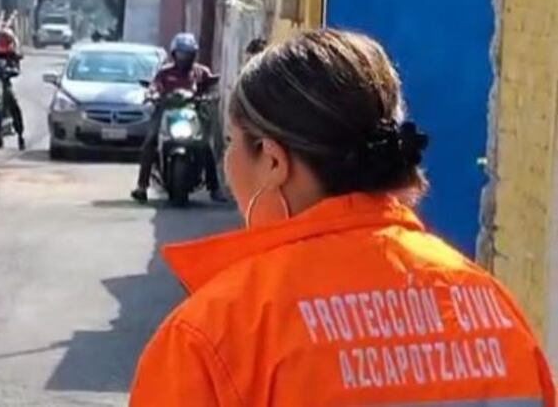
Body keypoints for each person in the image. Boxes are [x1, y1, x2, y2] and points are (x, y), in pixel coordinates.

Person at [130, 29, 556, 406]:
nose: (226, 161)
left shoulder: (215, 335)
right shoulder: (493, 311)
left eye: (230, 143)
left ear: (275, 161)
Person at [131, 32, 226, 204]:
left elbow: (211, 87)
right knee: (150, 141)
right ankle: (142, 186)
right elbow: (155, 86)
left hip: (192, 113)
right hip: (165, 112)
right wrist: (152, 94)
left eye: (188, 54)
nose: (184, 57)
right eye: (181, 53)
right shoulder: (165, 73)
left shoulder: (200, 72)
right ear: (174, 54)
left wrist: (210, 96)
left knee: (205, 146)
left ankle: (215, 189)